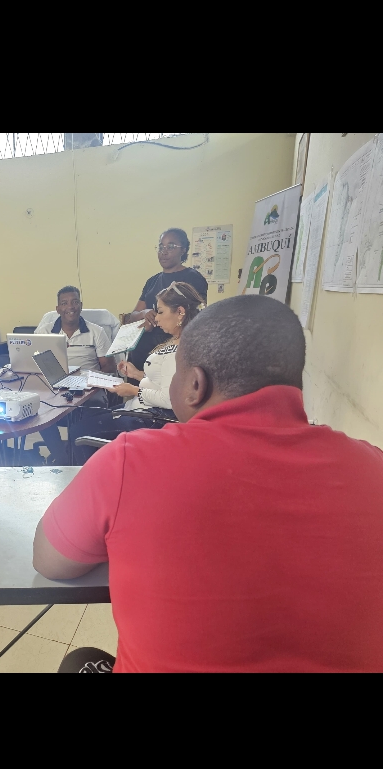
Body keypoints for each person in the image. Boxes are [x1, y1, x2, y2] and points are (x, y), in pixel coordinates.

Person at [33, 298, 383, 673]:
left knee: (80, 661)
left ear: (195, 385)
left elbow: (50, 562)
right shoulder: (373, 468)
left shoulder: (129, 461)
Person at [69, 281, 205, 458]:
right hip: (144, 410)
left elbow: (168, 399)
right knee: (86, 418)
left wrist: (132, 390)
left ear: (180, 312)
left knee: (78, 430)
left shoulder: (178, 351)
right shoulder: (179, 342)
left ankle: (92, 473)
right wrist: (136, 374)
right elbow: (164, 382)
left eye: (161, 312)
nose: (156, 318)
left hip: (150, 418)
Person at [35, 286, 113, 465]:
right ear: (58, 309)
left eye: (74, 302)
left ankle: (78, 457)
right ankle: (63, 459)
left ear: (81, 305)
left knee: (87, 413)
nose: (70, 306)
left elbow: (109, 367)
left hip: (88, 387)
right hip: (54, 385)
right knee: (37, 411)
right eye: (64, 303)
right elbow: (35, 364)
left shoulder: (96, 332)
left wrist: (89, 379)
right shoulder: (44, 332)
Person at [122, 229, 209, 373]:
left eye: (171, 246)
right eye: (161, 247)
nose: (164, 251)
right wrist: (144, 313)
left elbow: (197, 318)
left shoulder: (193, 278)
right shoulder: (152, 281)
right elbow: (132, 316)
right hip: (143, 355)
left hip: (172, 355)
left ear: (183, 250)